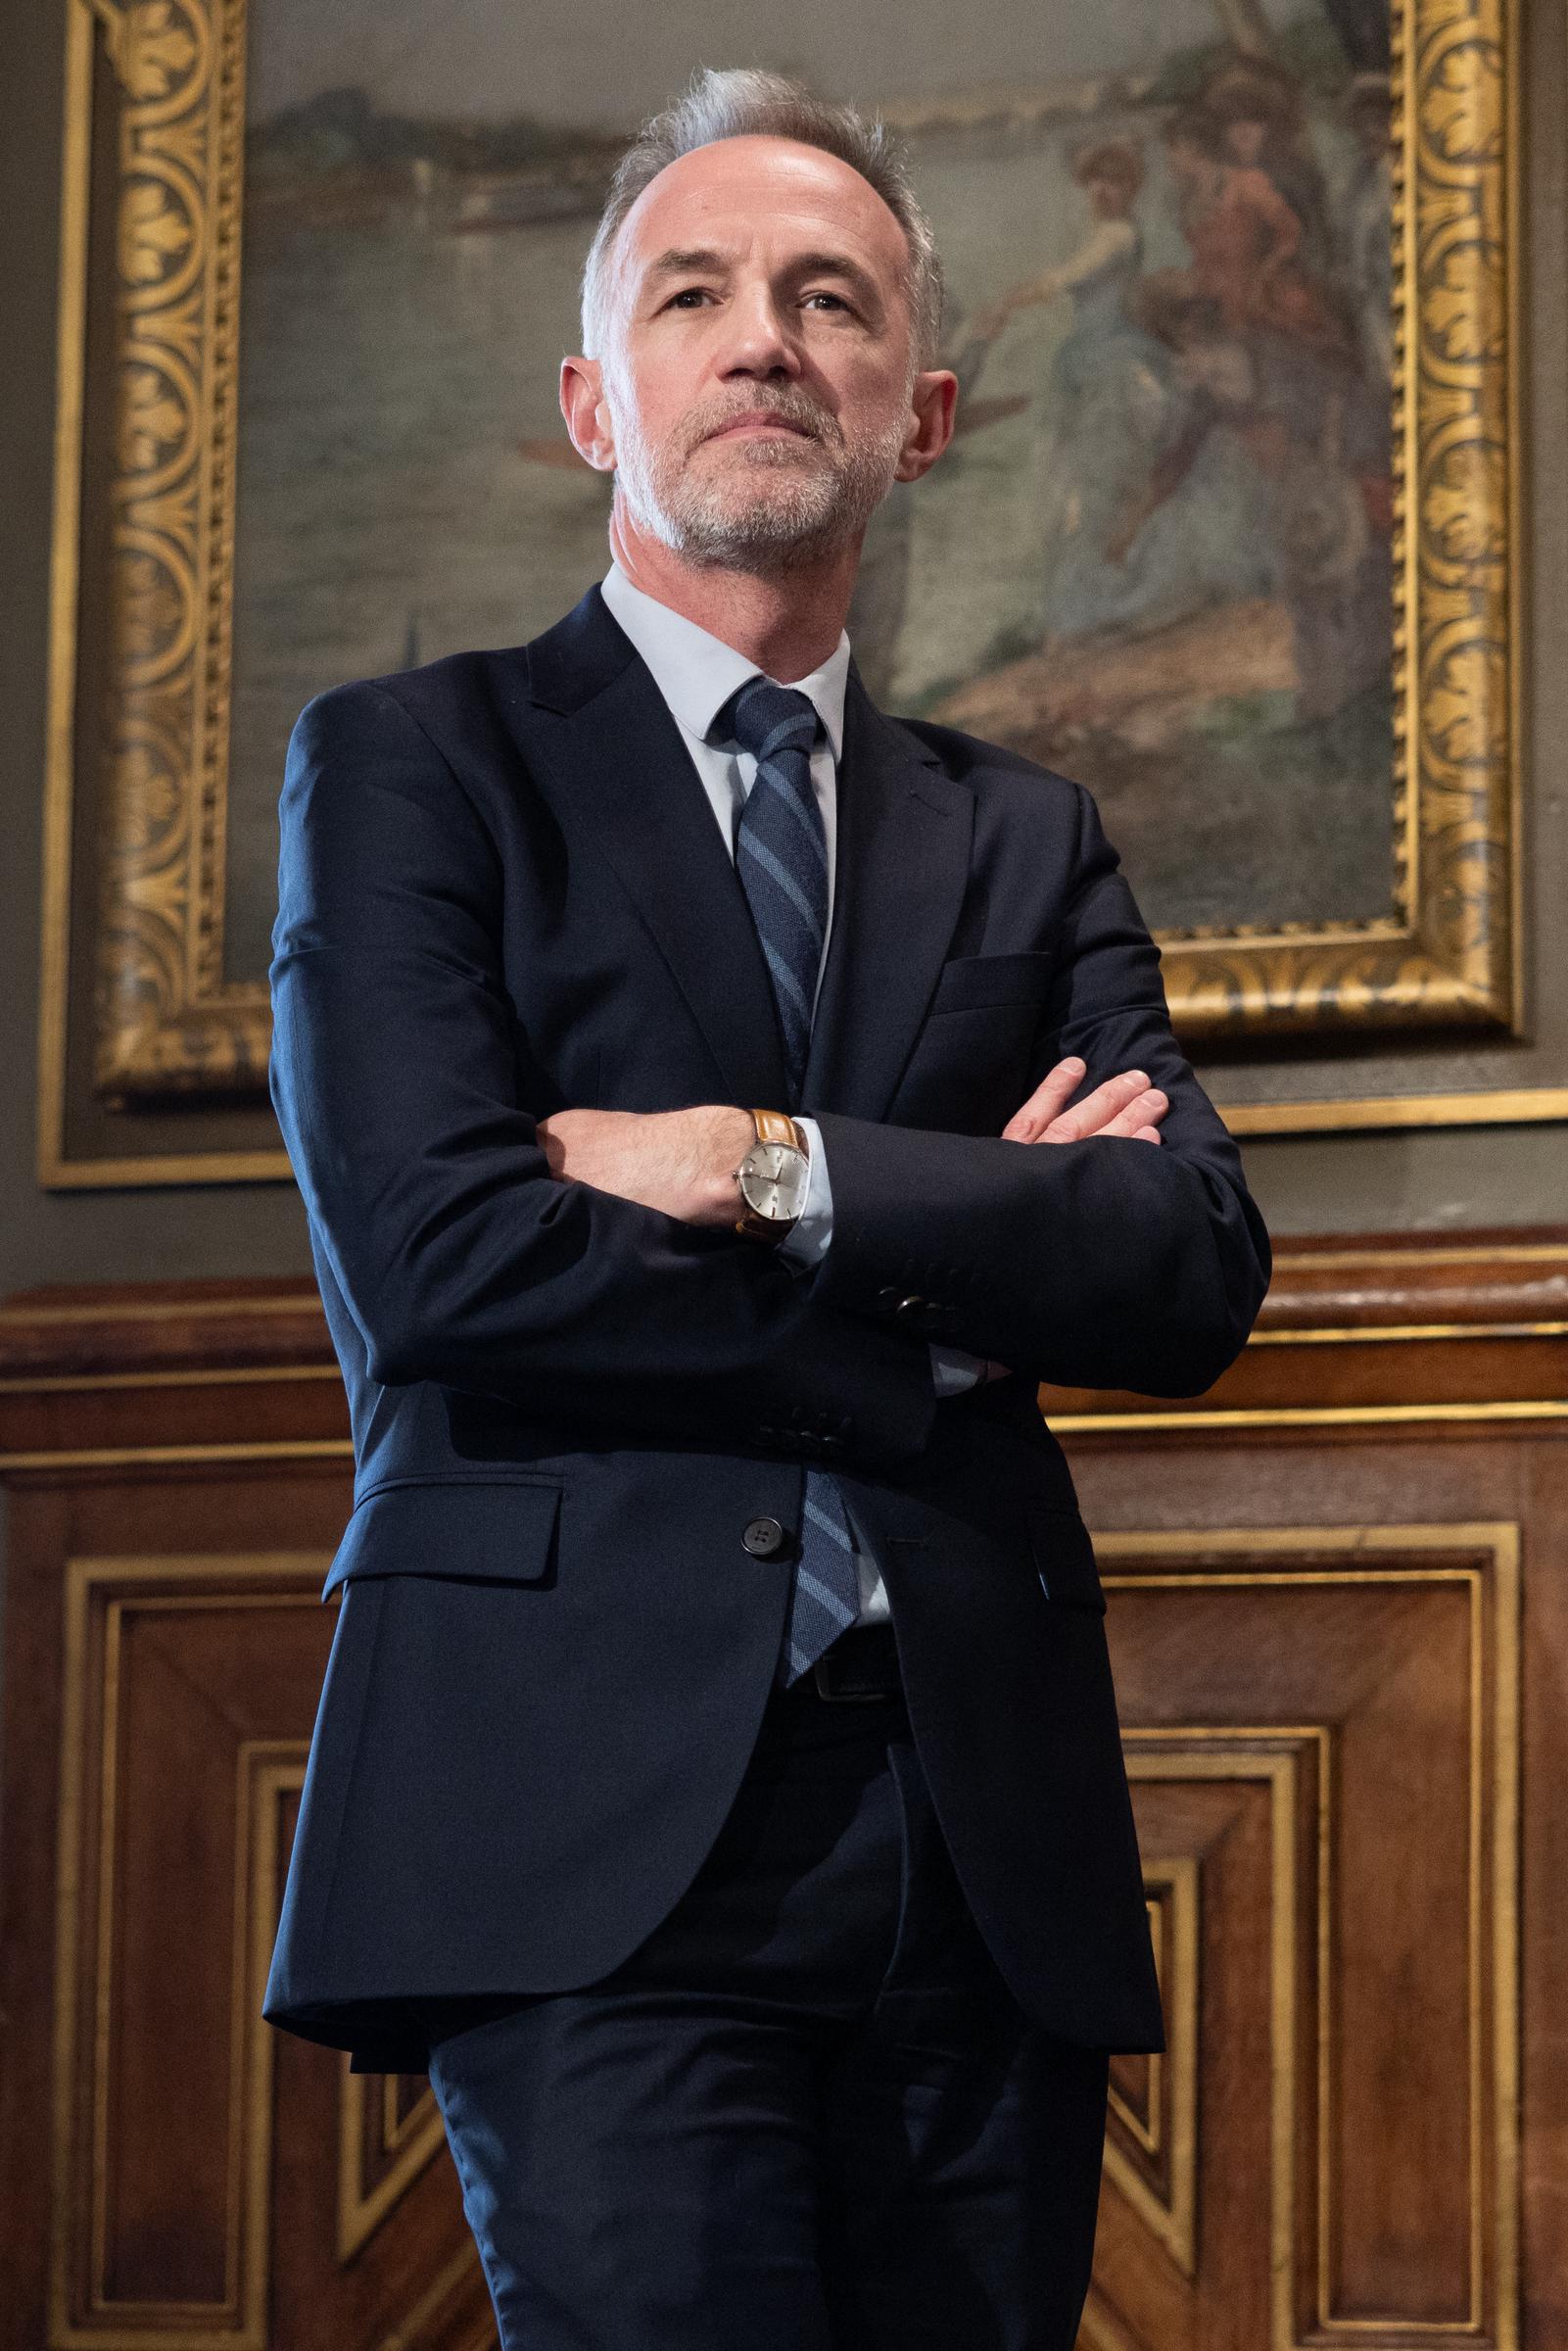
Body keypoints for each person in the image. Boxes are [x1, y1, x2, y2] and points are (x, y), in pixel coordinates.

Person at [263, 67, 1271, 2351]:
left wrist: (765, 1168)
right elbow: (446, 1260)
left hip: (971, 1838)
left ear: (918, 410)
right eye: (697, 293)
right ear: (592, 400)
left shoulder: (1027, 837)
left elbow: (1189, 1266)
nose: (762, 339)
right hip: (583, 1826)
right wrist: (955, 1269)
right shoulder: (417, 766)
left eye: (830, 301)